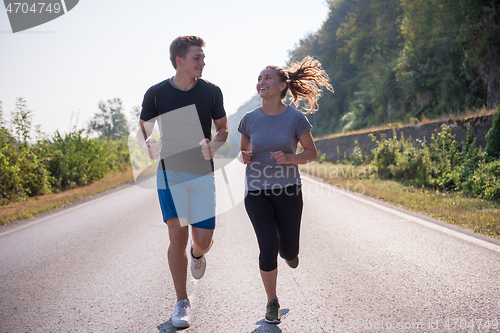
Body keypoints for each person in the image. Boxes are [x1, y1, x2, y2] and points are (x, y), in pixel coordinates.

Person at [137, 35, 228, 329]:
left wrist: (214, 146)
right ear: (180, 61)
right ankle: (181, 301)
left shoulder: (211, 92)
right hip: (170, 171)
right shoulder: (156, 93)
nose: (203, 62)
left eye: (202, 57)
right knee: (177, 236)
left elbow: (223, 129)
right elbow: (143, 130)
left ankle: (196, 254)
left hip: (201, 172)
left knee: (202, 241)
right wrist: (146, 143)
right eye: (197, 58)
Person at [237, 56, 333, 324]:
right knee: (267, 245)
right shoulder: (248, 119)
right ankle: (272, 302)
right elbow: (242, 152)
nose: (261, 82)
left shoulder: (295, 118)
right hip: (256, 190)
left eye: (267, 77)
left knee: (288, 251)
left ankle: (289, 252)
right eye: (259, 78)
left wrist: (291, 158)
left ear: (282, 86)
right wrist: (243, 157)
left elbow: (312, 153)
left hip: (289, 189)